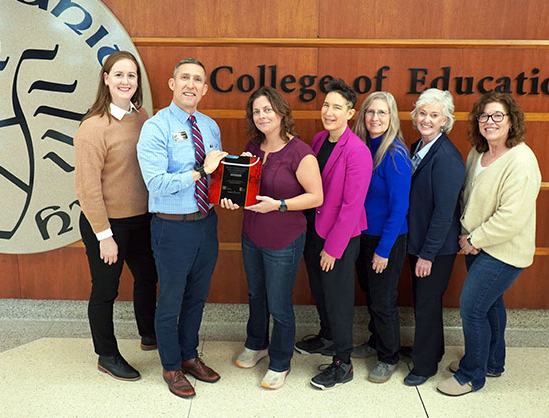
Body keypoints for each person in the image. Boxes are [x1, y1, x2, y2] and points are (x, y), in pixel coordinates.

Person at [437, 92, 541, 396]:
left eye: (498, 116)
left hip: (503, 251)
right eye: (484, 116)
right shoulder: (477, 153)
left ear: (512, 121)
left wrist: (474, 239)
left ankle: (471, 375)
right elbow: (469, 199)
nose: (489, 122)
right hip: (477, 246)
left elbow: (512, 216)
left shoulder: (521, 159)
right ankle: (492, 362)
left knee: (471, 308)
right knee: (491, 306)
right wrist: (469, 238)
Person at [137, 58, 228, 399]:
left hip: (206, 223)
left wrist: (226, 190)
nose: (191, 84)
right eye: (184, 78)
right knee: (171, 300)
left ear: (205, 89)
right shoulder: (156, 127)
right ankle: (171, 366)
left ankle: (190, 356)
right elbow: (157, 183)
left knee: (197, 297)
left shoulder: (209, 126)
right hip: (172, 228)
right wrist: (201, 173)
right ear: (172, 83)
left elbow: (215, 174)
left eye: (198, 80)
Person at [221, 87, 323, 389]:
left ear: (281, 112)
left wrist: (279, 205)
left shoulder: (300, 153)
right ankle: (257, 343)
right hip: (251, 234)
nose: (262, 116)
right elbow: (245, 187)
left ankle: (280, 361)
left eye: (268, 110)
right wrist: (230, 198)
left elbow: (316, 197)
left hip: (284, 240)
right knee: (256, 294)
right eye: (256, 111)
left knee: (279, 303)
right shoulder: (252, 147)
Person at [74, 51, 158, 382]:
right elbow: (87, 188)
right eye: (119, 75)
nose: (126, 81)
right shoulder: (92, 128)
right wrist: (104, 235)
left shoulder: (143, 118)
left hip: (142, 219)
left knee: (148, 277)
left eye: (132, 76)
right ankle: (106, 355)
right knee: (106, 290)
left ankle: (149, 333)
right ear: (106, 79)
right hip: (108, 225)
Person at [293, 79, 373, 390]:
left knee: (338, 299)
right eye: (326, 105)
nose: (328, 111)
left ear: (350, 113)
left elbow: (352, 207)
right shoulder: (318, 139)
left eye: (337, 107)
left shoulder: (357, 151)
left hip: (339, 237)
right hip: (315, 230)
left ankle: (343, 362)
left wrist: (334, 249)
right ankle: (327, 337)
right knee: (320, 290)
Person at [403, 88, 465, 386]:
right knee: (426, 302)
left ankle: (424, 366)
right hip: (419, 242)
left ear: (446, 121)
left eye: (434, 115)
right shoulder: (418, 146)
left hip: (435, 249)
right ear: (415, 115)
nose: (427, 119)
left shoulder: (447, 158)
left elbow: (444, 213)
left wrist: (427, 254)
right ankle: (432, 350)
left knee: (426, 304)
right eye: (423, 113)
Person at [350, 91, 411, 384]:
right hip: (362, 235)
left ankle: (389, 357)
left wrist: (384, 250)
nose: (375, 118)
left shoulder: (395, 154)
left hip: (387, 240)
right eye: (370, 112)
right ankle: (376, 342)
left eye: (382, 113)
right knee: (371, 295)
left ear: (392, 118)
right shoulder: (360, 147)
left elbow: (400, 208)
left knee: (384, 301)